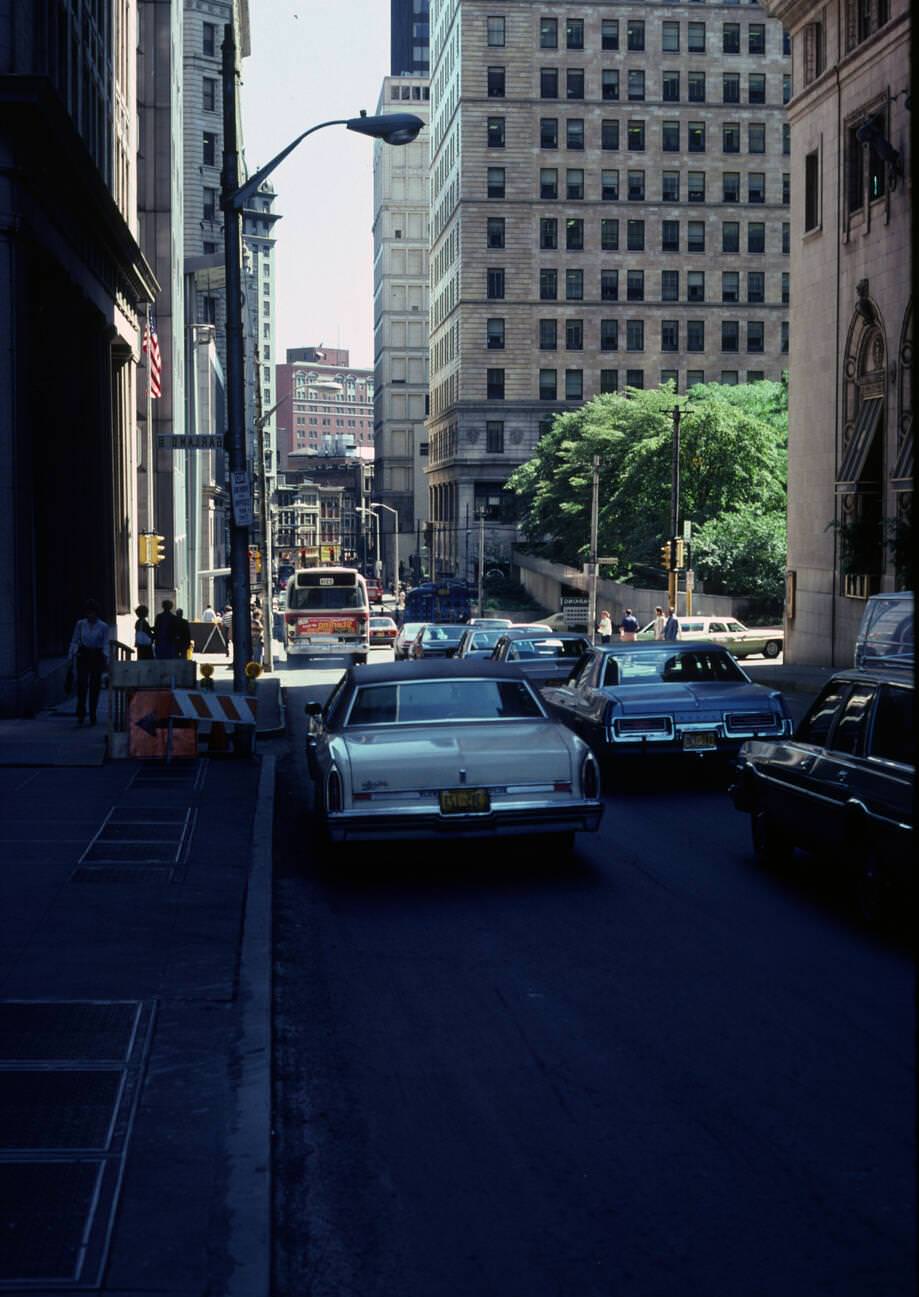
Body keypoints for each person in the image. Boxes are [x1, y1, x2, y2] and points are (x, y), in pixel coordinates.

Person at [68, 599, 110, 726]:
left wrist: (105, 658)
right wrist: (71, 655)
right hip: (84, 654)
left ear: (97, 613)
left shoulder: (103, 626)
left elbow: (106, 643)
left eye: (93, 613)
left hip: (97, 655)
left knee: (95, 685)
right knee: (82, 684)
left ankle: (93, 713)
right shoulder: (80, 624)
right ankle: (81, 711)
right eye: (88, 613)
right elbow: (75, 640)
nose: (91, 615)